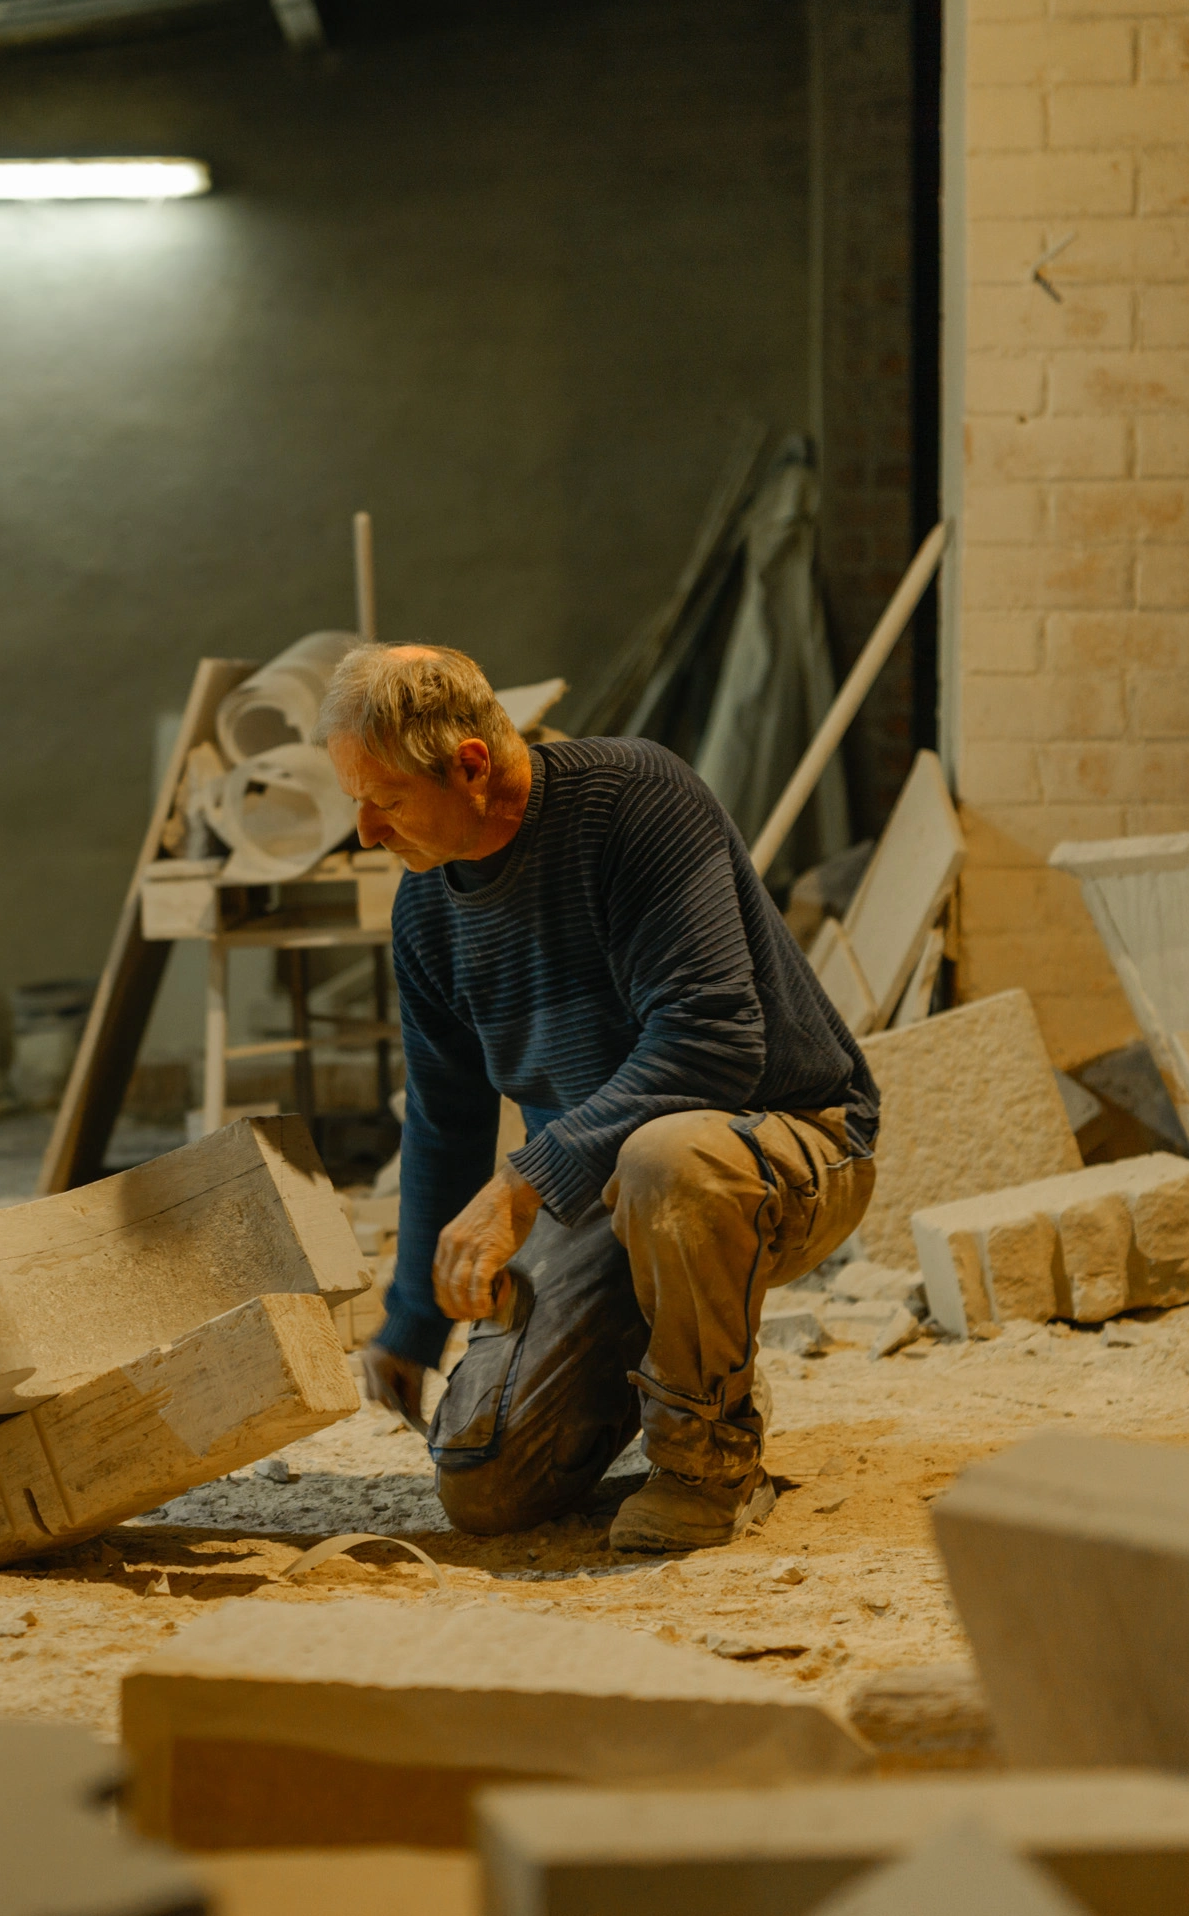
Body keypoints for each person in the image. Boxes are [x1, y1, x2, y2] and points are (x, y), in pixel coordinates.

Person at [320, 642, 880, 1554]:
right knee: (486, 1486)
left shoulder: (634, 803)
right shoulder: (427, 910)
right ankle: (687, 1362)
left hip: (784, 1142)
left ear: (469, 766)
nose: (366, 834)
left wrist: (521, 1185)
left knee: (666, 1158)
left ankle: (709, 1458)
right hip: (605, 1190)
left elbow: (712, 1042)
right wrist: (410, 1324)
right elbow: (444, 1118)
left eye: (382, 800)